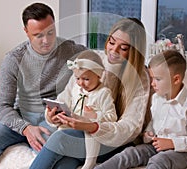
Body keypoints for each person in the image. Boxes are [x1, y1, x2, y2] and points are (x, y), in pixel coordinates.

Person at [0, 3, 86, 169]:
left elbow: (99, 61)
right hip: (19, 116)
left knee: (63, 158)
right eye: (38, 35)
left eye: (50, 32)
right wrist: (25, 128)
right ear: (26, 32)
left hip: (51, 117)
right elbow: (2, 107)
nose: (46, 41)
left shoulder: (69, 49)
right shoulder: (14, 59)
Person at [30, 17, 151, 169]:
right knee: (64, 162)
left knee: (60, 138)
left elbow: (130, 128)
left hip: (112, 141)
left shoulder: (140, 78)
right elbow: (66, 97)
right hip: (80, 131)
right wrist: (53, 116)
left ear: (134, 51)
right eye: (112, 42)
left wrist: (93, 126)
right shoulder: (94, 59)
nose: (113, 51)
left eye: (123, 48)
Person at [95, 50, 187, 169]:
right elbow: (154, 123)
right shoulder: (157, 98)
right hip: (155, 146)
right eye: (152, 78)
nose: (152, 84)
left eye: (157, 79)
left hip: (181, 152)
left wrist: (172, 143)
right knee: (129, 153)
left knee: (159, 160)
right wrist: (148, 134)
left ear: (176, 80)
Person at [46, 50, 117, 169]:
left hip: (90, 128)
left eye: (86, 79)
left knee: (90, 132)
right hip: (74, 124)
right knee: (60, 131)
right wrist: (57, 115)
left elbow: (112, 117)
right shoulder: (76, 89)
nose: (81, 83)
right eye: (77, 78)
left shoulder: (103, 93)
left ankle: (89, 163)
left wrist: (94, 116)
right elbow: (66, 102)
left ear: (98, 75)